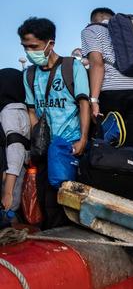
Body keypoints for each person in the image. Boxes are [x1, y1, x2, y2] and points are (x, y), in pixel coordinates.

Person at [19, 17, 91, 228]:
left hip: (69, 146)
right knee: (44, 200)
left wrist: (83, 139)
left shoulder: (71, 67)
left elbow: (84, 104)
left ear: (50, 44)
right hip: (44, 148)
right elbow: (31, 110)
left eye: (34, 46)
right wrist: (36, 139)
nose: (29, 52)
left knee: (66, 201)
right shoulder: (29, 74)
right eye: (25, 47)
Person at [81, 7, 133, 203]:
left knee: (108, 147)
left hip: (114, 91)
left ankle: (106, 200)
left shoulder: (92, 30)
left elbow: (97, 64)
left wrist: (94, 100)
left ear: (94, 19)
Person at [0, 69, 31, 213]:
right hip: (20, 174)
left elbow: (15, 149)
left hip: (11, 181)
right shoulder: (24, 112)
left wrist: (7, 192)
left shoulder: (9, 112)